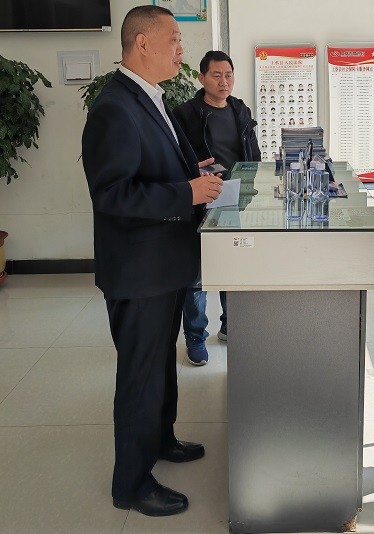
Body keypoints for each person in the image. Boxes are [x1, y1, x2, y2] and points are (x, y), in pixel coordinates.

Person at [81, 5, 223, 517]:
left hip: (164, 264)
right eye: (174, 40)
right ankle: (131, 483)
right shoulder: (114, 107)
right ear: (142, 43)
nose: (182, 50)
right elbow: (112, 194)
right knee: (140, 376)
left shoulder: (151, 97)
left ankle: (161, 438)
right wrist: (186, 192)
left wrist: (192, 173)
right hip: (139, 271)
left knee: (161, 363)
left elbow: (152, 166)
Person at [173, 50, 261, 366]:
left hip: (235, 199)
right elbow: (176, 160)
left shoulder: (240, 110)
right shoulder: (185, 114)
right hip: (200, 201)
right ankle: (196, 337)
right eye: (216, 75)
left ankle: (229, 325)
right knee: (197, 276)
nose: (224, 82)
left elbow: (253, 153)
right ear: (202, 78)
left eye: (228, 75)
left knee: (232, 267)